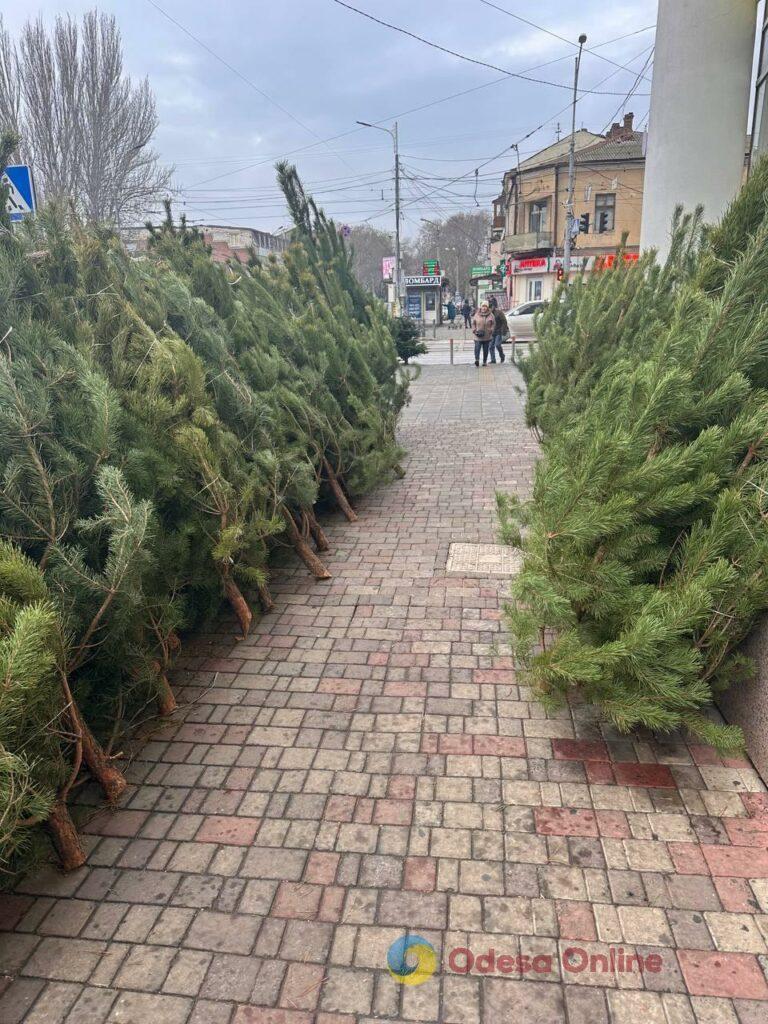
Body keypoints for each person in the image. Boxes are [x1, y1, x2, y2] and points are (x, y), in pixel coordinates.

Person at [471, 301, 496, 367]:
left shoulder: (491, 315)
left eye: (485, 306)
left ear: (487, 307)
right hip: (478, 335)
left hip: (487, 336)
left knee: (485, 350)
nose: (484, 308)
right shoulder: (477, 314)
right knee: (477, 348)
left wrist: (491, 330)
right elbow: (473, 323)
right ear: (481, 307)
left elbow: (493, 323)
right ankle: (477, 360)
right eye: (483, 306)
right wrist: (474, 329)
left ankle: (484, 361)